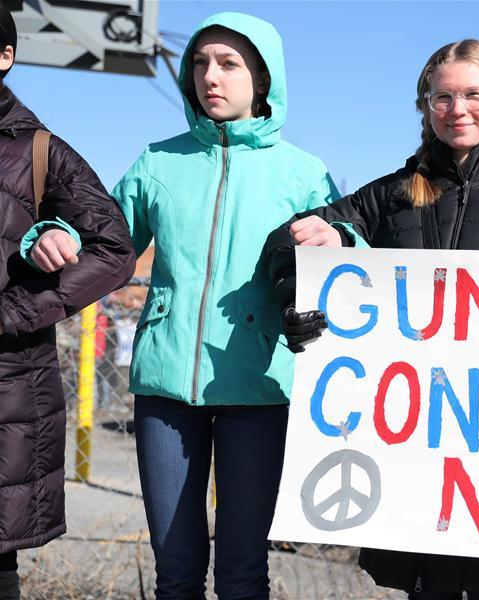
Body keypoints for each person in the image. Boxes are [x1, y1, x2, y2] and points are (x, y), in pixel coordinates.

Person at [265, 39, 479, 600]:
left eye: (473, 94)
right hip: (415, 439)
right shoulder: (392, 197)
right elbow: (286, 243)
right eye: (442, 97)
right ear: (426, 107)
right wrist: (303, 291)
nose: (457, 109)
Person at [110, 12, 347, 599]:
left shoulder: (303, 173)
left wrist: (342, 242)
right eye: (199, 63)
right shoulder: (156, 163)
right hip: (166, 390)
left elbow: (350, 258)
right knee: (176, 574)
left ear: (262, 79)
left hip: (260, 388)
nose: (209, 77)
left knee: (242, 573)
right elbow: (103, 241)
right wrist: (51, 235)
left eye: (228, 63)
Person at [0, 5, 136, 598]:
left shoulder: (39, 152)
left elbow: (114, 248)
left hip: (7, 385)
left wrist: (14, 312)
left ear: (5, 56)